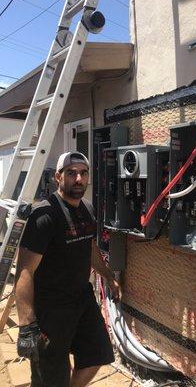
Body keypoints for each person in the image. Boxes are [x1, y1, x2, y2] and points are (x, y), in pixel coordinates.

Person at [15, 151, 121, 387]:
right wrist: (26, 324)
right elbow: (24, 271)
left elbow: (89, 246)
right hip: (51, 307)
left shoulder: (87, 209)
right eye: (71, 173)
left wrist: (108, 276)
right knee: (51, 377)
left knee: (98, 354)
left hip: (81, 298)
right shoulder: (44, 216)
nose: (79, 179)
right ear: (58, 177)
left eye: (83, 173)